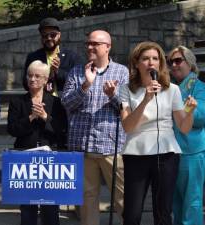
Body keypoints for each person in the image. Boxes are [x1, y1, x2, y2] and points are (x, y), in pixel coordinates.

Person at [119, 41, 197, 225]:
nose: (151, 63)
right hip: (136, 154)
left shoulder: (172, 90)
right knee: (132, 214)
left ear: (161, 64)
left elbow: (183, 128)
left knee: (163, 212)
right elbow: (128, 126)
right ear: (137, 63)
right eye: (145, 59)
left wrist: (190, 111)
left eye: (155, 59)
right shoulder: (127, 89)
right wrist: (145, 99)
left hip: (167, 154)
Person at [61, 30, 128, 225]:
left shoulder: (121, 72)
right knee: (87, 200)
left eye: (95, 44)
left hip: (111, 146)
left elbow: (127, 107)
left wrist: (113, 95)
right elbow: (67, 103)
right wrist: (85, 86)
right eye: (88, 43)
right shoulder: (76, 72)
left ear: (108, 47)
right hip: (82, 146)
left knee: (122, 198)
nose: (89, 47)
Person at [7, 60, 67, 225]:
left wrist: (45, 118)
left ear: (46, 79)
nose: (32, 79)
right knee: (27, 208)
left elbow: (61, 131)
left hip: (50, 160)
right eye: (29, 75)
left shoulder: (56, 102)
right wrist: (31, 118)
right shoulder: (17, 102)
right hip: (25, 159)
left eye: (37, 76)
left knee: (50, 208)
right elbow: (12, 129)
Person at [168, 46, 205, 225]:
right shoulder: (173, 88)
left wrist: (180, 109)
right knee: (176, 202)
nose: (174, 65)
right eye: (171, 62)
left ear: (190, 63)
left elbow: (201, 116)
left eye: (178, 60)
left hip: (192, 152)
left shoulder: (199, 88)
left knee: (191, 202)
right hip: (172, 152)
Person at [24, 17, 82, 97]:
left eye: (53, 35)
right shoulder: (33, 57)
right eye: (45, 35)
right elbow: (25, 84)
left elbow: (78, 81)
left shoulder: (72, 56)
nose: (49, 38)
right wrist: (42, 77)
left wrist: (58, 72)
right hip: (41, 101)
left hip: (64, 104)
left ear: (59, 35)